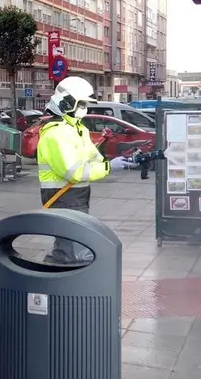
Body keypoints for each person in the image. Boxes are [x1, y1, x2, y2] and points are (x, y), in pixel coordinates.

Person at [37, 76, 134, 264]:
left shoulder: (77, 129)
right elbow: (74, 172)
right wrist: (107, 167)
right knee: (72, 252)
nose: (85, 109)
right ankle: (54, 285)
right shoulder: (56, 133)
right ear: (66, 103)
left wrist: (114, 159)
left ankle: (54, 284)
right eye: (81, 104)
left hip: (77, 194)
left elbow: (94, 158)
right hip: (62, 195)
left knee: (71, 246)